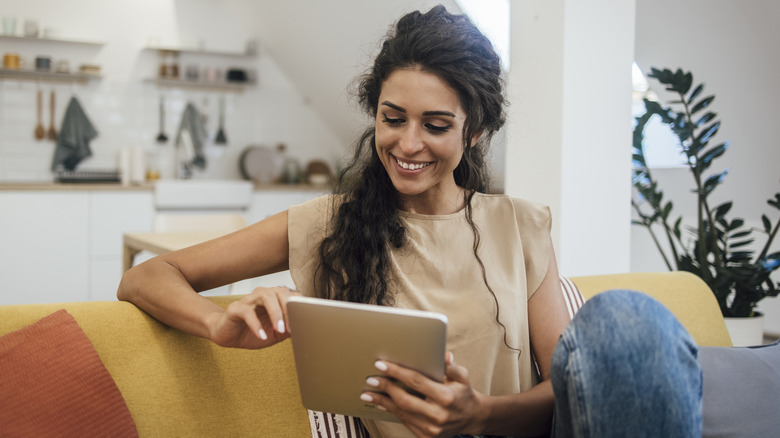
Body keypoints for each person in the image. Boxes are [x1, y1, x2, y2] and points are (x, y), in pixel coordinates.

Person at [118, 5, 703, 437]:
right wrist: (217, 325)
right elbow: (148, 275)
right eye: (392, 118)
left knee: (627, 321)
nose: (407, 143)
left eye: (437, 125)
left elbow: (565, 394)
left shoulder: (519, 226)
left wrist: (481, 413)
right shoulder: (329, 225)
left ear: (474, 132)